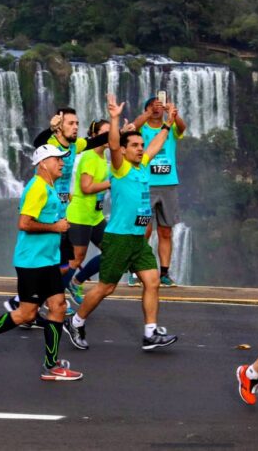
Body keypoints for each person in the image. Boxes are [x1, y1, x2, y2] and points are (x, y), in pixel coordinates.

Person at [63, 94, 179, 351]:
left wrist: (168, 125)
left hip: (137, 239)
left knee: (152, 281)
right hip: (119, 238)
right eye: (135, 145)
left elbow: (156, 144)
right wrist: (114, 119)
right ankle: (77, 321)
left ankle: (150, 333)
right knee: (106, 287)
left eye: (140, 145)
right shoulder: (120, 167)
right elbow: (114, 144)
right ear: (124, 151)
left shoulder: (142, 165)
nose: (140, 148)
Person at [0, 144, 83, 381]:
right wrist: (55, 227)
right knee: (26, 314)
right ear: (43, 164)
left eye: (62, 159)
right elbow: (24, 223)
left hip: (47, 260)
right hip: (32, 262)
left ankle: (51, 365)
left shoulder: (48, 187)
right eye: (56, 159)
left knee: (58, 306)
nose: (61, 163)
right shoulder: (37, 187)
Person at [3, 108, 108, 312]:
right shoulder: (50, 145)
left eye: (77, 123)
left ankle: (44, 300)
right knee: (57, 263)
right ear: (59, 126)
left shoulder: (76, 145)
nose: (76, 126)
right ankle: (32, 302)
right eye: (70, 123)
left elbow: (96, 141)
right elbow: (37, 144)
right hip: (48, 214)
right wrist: (50, 129)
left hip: (62, 213)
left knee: (65, 263)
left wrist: (123, 130)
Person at [131, 96, 188, 287]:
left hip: (168, 184)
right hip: (146, 183)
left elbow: (182, 128)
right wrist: (147, 113)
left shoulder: (170, 127)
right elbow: (132, 127)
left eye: (159, 105)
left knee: (165, 231)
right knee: (143, 229)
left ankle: (164, 272)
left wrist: (173, 113)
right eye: (151, 106)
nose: (156, 108)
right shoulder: (142, 129)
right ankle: (135, 270)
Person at [64, 119, 111, 305]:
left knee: (111, 251)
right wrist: (110, 183)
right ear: (94, 136)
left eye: (111, 132)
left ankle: (76, 281)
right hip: (80, 214)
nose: (109, 136)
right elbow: (86, 187)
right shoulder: (90, 156)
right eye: (104, 133)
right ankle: (55, 298)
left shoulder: (103, 157)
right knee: (75, 259)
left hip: (95, 216)